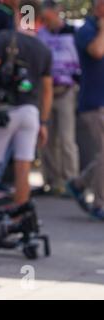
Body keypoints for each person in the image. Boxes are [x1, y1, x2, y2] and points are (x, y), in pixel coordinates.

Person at [0, 0, 53, 214]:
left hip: (4, 111)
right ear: (38, 19)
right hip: (31, 113)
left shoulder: (6, 38)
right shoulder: (44, 49)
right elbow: (47, 91)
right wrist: (43, 122)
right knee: (23, 168)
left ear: (19, 14)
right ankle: (19, 222)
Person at [38, 0, 80, 196]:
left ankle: (71, 183)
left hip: (66, 91)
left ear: (58, 12)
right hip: (45, 91)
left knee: (66, 140)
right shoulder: (40, 35)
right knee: (46, 139)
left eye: (49, 16)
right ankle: (52, 181)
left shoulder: (73, 32)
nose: (47, 20)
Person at [67, 0, 104, 220]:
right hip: (93, 102)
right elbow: (97, 51)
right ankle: (99, 203)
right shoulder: (87, 29)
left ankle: (79, 183)